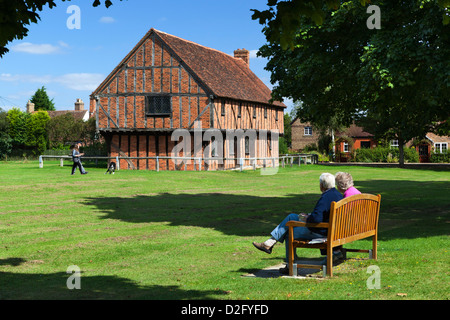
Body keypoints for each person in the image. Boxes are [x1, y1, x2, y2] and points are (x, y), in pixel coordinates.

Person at [252, 173, 343, 273]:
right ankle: (269, 243)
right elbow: (322, 214)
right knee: (291, 217)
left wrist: (307, 218)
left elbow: (316, 219)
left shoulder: (325, 197)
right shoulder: (337, 194)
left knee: (288, 232)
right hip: (332, 229)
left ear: (322, 185)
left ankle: (290, 264)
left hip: (321, 231)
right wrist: (309, 216)